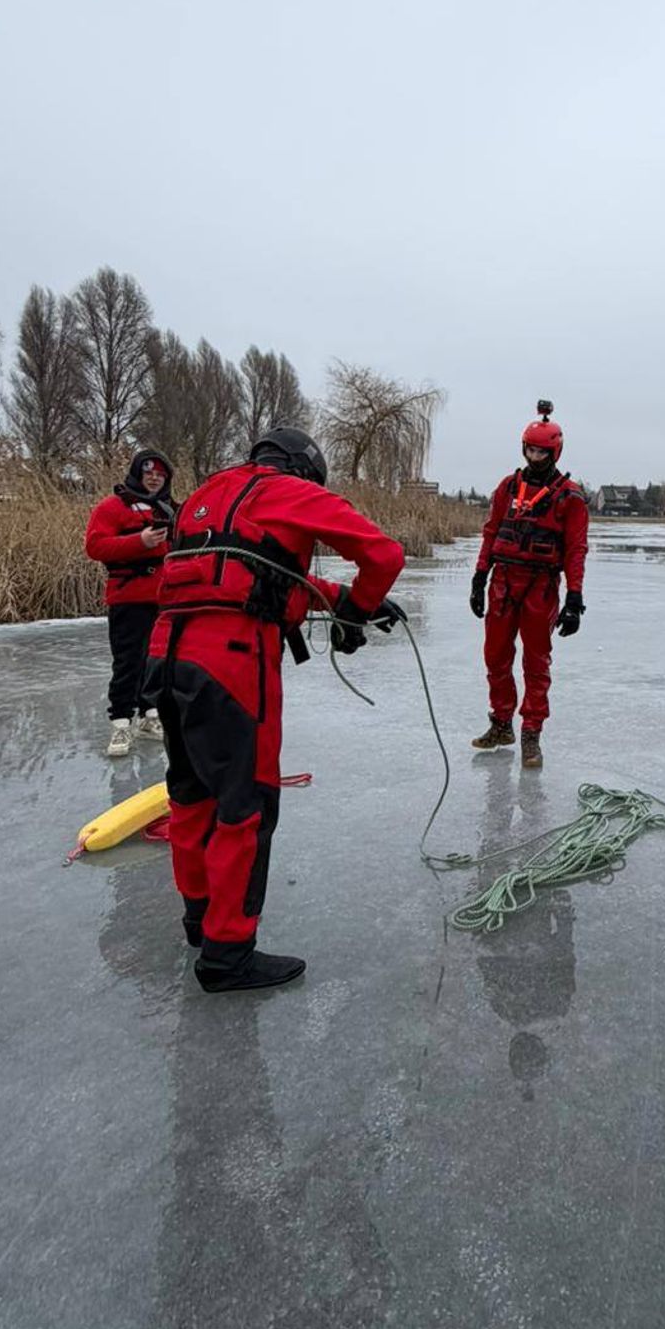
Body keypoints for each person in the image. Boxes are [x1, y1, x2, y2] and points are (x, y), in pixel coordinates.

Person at [144, 424, 406, 993]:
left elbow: (251, 570)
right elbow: (384, 554)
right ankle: (228, 955)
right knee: (246, 808)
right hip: (230, 662)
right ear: (305, 470)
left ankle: (200, 921)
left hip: (166, 656)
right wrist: (357, 612)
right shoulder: (291, 491)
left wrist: (340, 599)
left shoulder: (209, 493)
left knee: (191, 796)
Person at [469, 400, 589, 771]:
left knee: (536, 662)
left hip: (541, 586)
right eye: (530, 450)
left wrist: (574, 598)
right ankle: (501, 723)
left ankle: (531, 733)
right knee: (495, 657)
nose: (535, 457)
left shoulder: (570, 497)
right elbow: (491, 532)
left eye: (542, 452)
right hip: (503, 583)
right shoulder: (508, 487)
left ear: (555, 453)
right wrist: (479, 577)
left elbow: (576, 550)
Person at [84, 448, 176, 758]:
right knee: (128, 663)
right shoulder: (113, 507)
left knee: (158, 661)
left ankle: (149, 716)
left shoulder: (170, 508)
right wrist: (140, 541)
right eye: (149, 472)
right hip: (128, 599)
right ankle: (121, 722)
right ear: (137, 473)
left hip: (165, 600)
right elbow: (95, 546)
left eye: (160, 474)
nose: (154, 478)